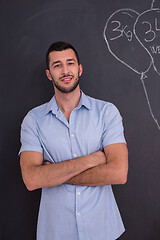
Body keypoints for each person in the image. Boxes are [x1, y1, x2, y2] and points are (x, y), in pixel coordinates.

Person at [19, 41, 128, 240]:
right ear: (49, 74)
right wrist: (93, 159)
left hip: (103, 230)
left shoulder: (106, 112)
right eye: (57, 65)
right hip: (56, 232)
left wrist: (53, 175)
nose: (65, 70)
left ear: (79, 69)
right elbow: (32, 179)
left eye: (70, 63)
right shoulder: (34, 120)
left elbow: (119, 173)